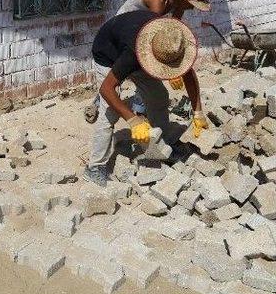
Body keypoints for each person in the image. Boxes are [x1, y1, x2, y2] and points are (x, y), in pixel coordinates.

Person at [84, 11, 208, 187]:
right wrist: (133, 119)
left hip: (138, 51)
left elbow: (189, 75)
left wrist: (198, 111)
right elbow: (106, 89)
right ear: (154, 58)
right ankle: (95, 167)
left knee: (159, 96)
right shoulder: (132, 54)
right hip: (109, 53)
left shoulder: (173, 42)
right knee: (109, 110)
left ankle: (163, 145)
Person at [84, 0, 212, 123]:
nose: (192, 8)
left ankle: (136, 111)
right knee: (126, 75)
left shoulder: (178, 4)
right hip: (122, 35)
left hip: (141, 33)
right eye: (192, 3)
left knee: (145, 79)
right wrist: (171, 73)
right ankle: (120, 109)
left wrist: (197, 111)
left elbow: (171, 32)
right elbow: (152, 37)